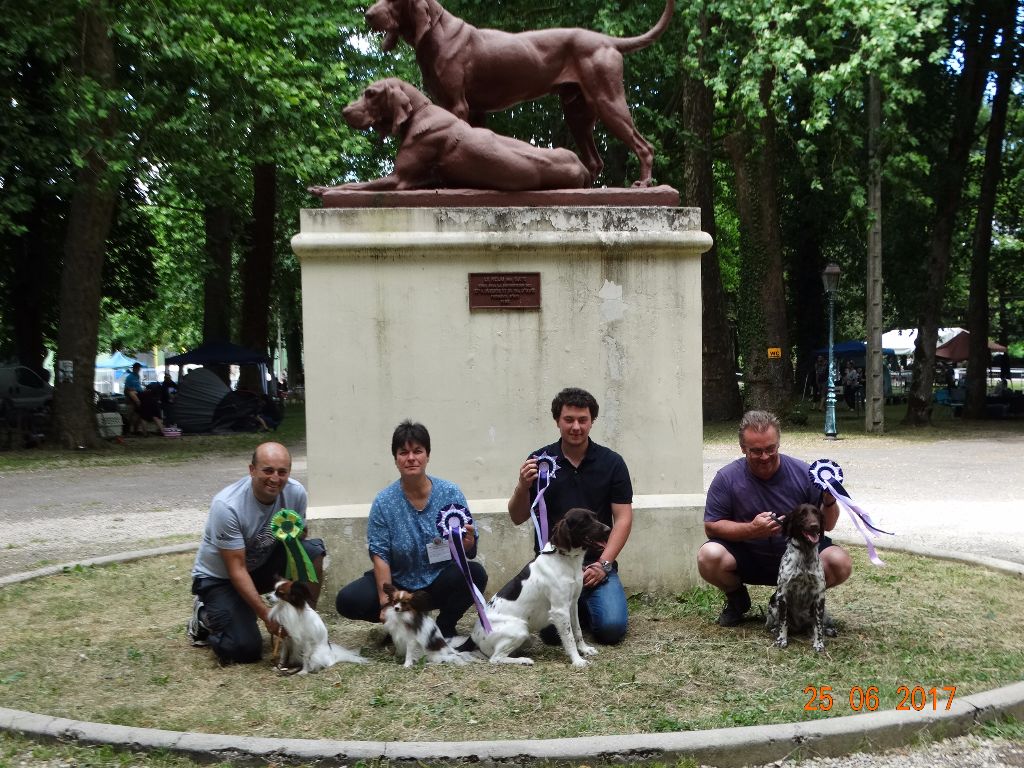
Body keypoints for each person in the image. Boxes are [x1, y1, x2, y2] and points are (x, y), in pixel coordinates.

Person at [697, 410, 852, 627]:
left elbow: (831, 524)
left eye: (771, 449)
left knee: (840, 563)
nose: (765, 457)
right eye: (756, 451)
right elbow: (712, 527)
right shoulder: (726, 478)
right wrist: (751, 529)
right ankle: (737, 599)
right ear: (743, 448)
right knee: (708, 556)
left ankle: (786, 598)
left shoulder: (804, 473)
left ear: (778, 443)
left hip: (798, 559)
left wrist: (828, 500)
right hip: (747, 556)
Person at [335, 420, 487, 639]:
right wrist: (386, 603)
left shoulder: (451, 492)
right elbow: (380, 555)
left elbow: (469, 547)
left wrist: (468, 544)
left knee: (476, 573)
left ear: (428, 455)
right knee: (348, 600)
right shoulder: (383, 502)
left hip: (437, 580)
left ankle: (444, 626)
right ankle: (397, 625)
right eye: (403, 452)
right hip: (398, 582)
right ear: (396, 459)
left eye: (418, 451)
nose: (411, 458)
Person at [507, 387, 633, 644]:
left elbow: (623, 519)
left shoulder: (613, 463)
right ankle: (578, 605)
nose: (576, 426)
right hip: (552, 568)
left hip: (596, 564)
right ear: (557, 421)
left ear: (592, 421)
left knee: (611, 630)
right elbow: (517, 516)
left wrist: (603, 564)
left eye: (582, 420)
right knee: (551, 635)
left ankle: (583, 602)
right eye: (569, 420)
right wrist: (523, 486)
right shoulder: (540, 461)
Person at [188, 442, 325, 664]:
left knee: (312, 552)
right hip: (221, 578)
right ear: (252, 470)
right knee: (244, 649)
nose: (275, 478)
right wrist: (267, 616)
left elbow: (296, 545)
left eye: (282, 472)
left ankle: (304, 622)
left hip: (260, 565)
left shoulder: (295, 492)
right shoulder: (227, 505)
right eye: (267, 470)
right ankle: (204, 616)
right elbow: (237, 569)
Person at [123, 362, 144, 435]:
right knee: (130, 415)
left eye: (139, 368)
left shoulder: (137, 376)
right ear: (134, 368)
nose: (139, 370)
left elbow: (138, 386)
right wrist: (133, 391)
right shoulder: (129, 377)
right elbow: (127, 388)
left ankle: (136, 430)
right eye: (138, 368)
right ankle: (127, 431)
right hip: (130, 398)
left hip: (138, 396)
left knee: (138, 415)